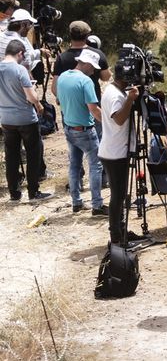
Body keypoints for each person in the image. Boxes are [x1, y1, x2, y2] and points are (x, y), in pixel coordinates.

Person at [55, 47, 105, 216]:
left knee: (74, 166)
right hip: (85, 130)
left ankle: (76, 202)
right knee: (95, 166)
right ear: (86, 64)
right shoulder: (86, 81)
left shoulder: (62, 77)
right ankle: (97, 205)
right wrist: (109, 123)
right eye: (92, 68)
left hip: (69, 128)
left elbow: (59, 100)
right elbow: (94, 109)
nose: (93, 71)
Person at [1, 39, 50, 201]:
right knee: (33, 154)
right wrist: (37, 103)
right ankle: (33, 192)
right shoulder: (20, 70)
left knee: (12, 156)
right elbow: (30, 96)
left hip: (6, 119)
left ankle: (14, 193)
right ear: (20, 53)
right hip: (25, 118)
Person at [96, 64, 138, 246]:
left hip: (115, 150)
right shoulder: (114, 94)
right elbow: (119, 119)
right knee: (118, 196)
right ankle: (116, 236)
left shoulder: (112, 90)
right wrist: (130, 100)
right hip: (115, 153)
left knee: (119, 195)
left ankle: (121, 230)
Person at [52, 21, 101, 95]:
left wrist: (64, 99)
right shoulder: (97, 54)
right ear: (87, 36)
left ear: (70, 35)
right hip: (93, 103)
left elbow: (55, 88)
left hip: (69, 105)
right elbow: (106, 77)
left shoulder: (61, 57)